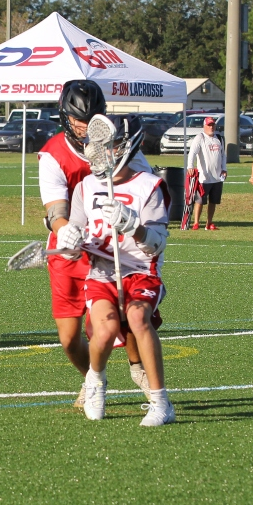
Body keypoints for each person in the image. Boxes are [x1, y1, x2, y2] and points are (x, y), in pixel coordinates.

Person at [38, 80, 155, 408]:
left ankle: (139, 370)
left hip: (109, 248)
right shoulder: (53, 154)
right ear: (65, 117)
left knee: (125, 314)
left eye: (91, 119)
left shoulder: (119, 146)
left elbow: (144, 188)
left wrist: (132, 219)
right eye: (78, 119)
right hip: (69, 250)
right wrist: (66, 230)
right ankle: (91, 378)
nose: (85, 126)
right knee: (68, 338)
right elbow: (55, 211)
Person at [56, 119, 174, 426]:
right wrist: (69, 241)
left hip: (141, 270)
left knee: (137, 318)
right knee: (106, 329)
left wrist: (134, 227)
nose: (100, 152)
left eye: (108, 145)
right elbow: (77, 242)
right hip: (102, 272)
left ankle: (161, 402)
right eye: (96, 146)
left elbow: (157, 244)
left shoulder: (148, 186)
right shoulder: (85, 187)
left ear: (126, 146)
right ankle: (95, 383)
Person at [187, 115, 226, 230]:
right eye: (209, 125)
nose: (211, 127)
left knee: (213, 201)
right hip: (204, 177)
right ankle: (196, 222)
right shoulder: (200, 138)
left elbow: (223, 155)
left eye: (212, 125)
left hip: (217, 177)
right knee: (199, 201)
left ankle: (209, 223)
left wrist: (224, 169)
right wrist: (190, 166)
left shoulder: (219, 138)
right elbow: (192, 152)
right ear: (204, 126)